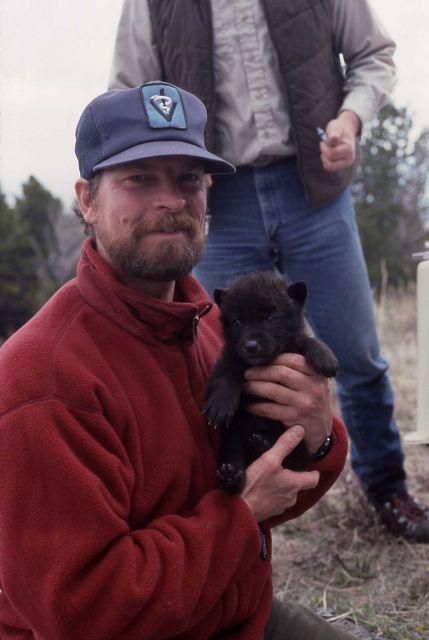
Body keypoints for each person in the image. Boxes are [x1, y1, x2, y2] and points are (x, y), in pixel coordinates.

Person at [0, 81, 359, 639]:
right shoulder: (43, 382)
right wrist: (237, 518)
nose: (170, 200)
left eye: (188, 179)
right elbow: (84, 611)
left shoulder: (218, 331)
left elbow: (278, 490)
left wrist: (317, 437)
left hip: (233, 616)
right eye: (139, 179)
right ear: (88, 200)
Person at [108, 0, 429, 543]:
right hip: (217, 198)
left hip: (315, 192)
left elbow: (375, 55)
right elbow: (128, 95)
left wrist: (350, 118)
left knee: (354, 355)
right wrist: (170, 169)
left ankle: (387, 491)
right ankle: (225, 518)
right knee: (210, 366)